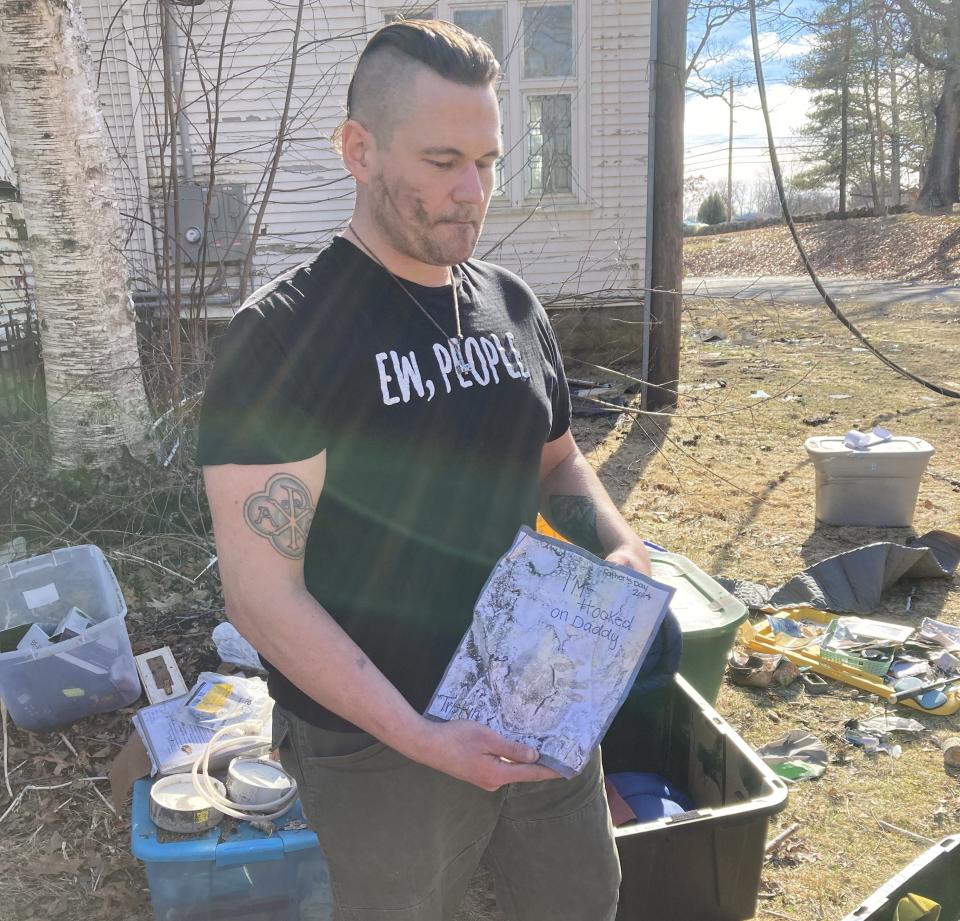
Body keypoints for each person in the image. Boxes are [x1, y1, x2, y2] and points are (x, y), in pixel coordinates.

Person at [198, 18, 655, 921]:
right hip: (382, 743)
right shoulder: (285, 337)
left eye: (486, 161)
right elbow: (261, 596)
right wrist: (423, 736)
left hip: (539, 694)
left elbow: (558, 462)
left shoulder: (511, 305)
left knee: (580, 901)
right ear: (357, 150)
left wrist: (619, 549)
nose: (473, 191)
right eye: (442, 160)